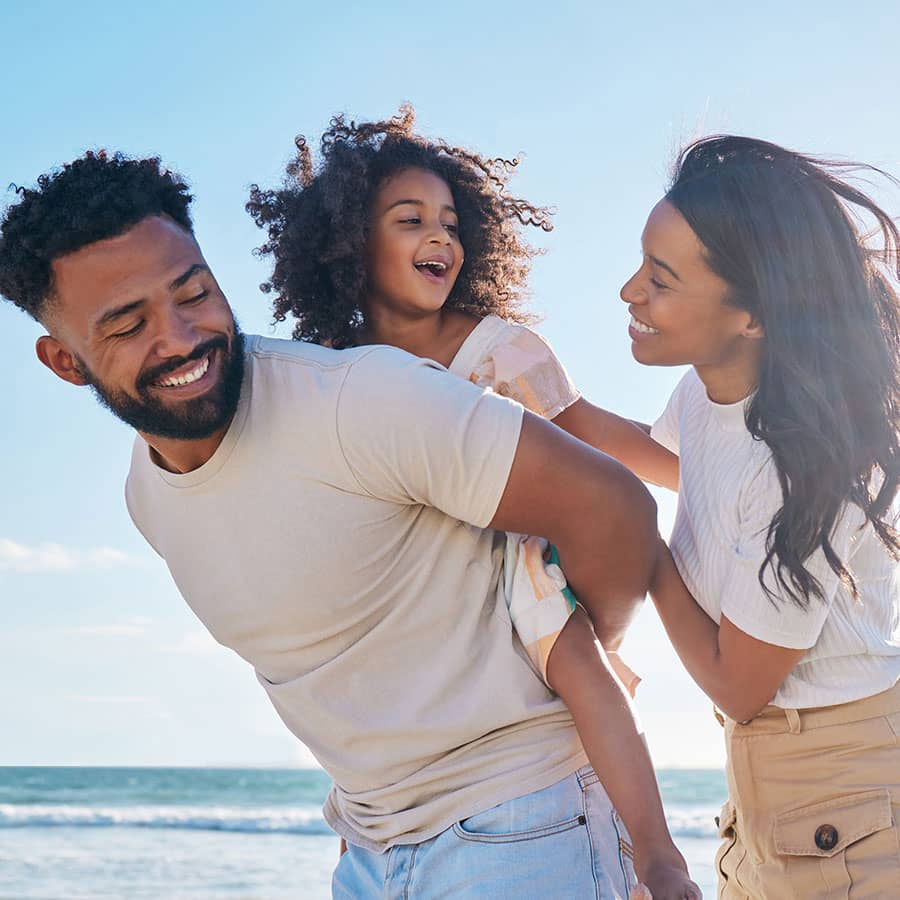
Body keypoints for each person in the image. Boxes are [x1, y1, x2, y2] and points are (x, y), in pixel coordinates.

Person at [2, 151, 660, 899]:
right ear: (65, 360)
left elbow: (615, 507)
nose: (182, 337)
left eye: (195, 293)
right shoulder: (147, 496)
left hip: (521, 825)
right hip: (369, 850)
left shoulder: (359, 401)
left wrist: (569, 652)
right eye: (128, 325)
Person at [248, 107, 697, 899]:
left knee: (581, 669)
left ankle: (659, 857)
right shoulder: (336, 375)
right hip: (416, 596)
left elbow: (591, 432)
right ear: (353, 242)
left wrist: (709, 472)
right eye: (411, 219)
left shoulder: (496, 349)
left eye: (451, 223)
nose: (440, 238)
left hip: (511, 563)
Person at [613, 136, 898, 898]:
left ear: (756, 315)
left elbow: (737, 684)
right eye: (642, 264)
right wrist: (527, 395)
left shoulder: (803, 468)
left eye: (661, 280)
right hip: (769, 788)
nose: (629, 292)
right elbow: (657, 459)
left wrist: (635, 543)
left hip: (844, 797)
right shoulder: (711, 394)